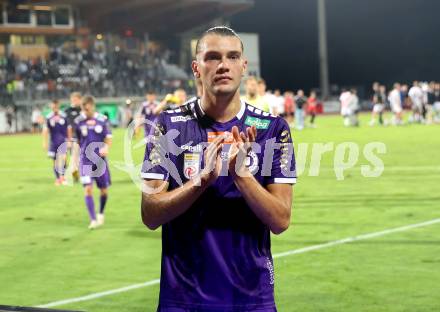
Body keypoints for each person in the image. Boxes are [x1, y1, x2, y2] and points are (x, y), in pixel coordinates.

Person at [141, 26, 296, 312]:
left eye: (232, 56)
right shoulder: (168, 125)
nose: (223, 65)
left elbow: (281, 220)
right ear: (196, 67)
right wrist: (203, 179)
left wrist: (242, 176)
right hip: (183, 300)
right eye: (212, 57)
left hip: (251, 298)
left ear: (243, 66)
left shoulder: (273, 129)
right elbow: (150, 213)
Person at [74, 96, 112, 229]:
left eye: (87, 108)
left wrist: (106, 147)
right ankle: (93, 219)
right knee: (88, 189)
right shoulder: (78, 121)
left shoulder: (102, 120)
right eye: (83, 109)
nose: (85, 111)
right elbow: (77, 143)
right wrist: (74, 163)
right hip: (85, 160)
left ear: (92, 106)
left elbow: (108, 138)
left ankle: (101, 212)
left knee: (104, 191)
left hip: (100, 160)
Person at [42, 100, 68, 185]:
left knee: (63, 160)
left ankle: (63, 177)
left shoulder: (64, 116)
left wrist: (69, 140)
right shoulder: (48, 117)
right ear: (51, 107)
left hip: (63, 142)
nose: (54, 108)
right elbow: (45, 130)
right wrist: (44, 142)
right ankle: (58, 179)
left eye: (56, 106)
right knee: (55, 161)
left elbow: (69, 128)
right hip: (53, 142)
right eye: (53, 106)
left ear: (58, 106)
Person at [65, 92, 82, 182]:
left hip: (85, 137)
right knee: (74, 156)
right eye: (72, 100)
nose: (74, 102)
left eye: (76, 100)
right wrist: (68, 139)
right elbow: (67, 126)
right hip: (74, 138)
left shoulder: (84, 110)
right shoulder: (67, 111)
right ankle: (74, 171)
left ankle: (77, 172)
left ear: (80, 100)